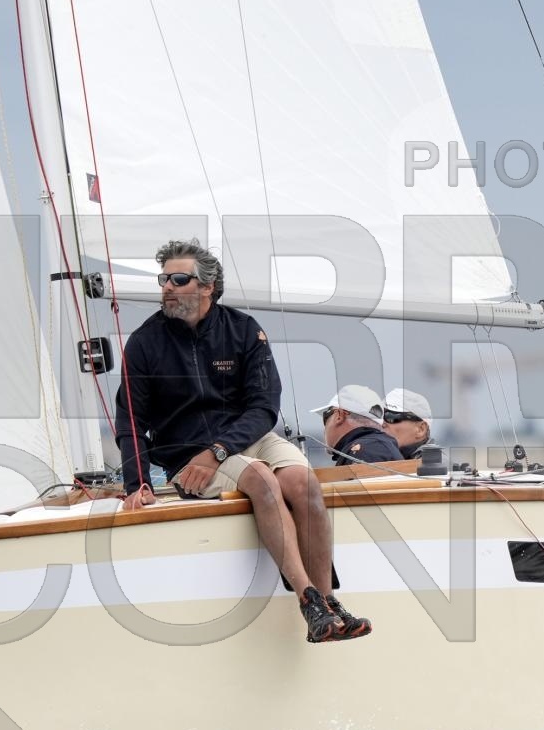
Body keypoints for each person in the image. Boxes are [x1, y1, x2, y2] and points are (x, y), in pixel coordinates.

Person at [114, 240, 371, 642]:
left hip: (243, 440)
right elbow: (131, 421)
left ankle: (329, 603)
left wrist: (218, 450)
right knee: (263, 480)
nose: (167, 287)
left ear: (208, 287)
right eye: (163, 280)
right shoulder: (145, 343)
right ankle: (309, 601)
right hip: (187, 456)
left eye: (178, 279)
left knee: (304, 482)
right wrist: (138, 484)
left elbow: (264, 407)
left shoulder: (244, 330)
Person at [314, 385, 404, 466]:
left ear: (339, 416)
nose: (324, 428)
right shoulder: (378, 446)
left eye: (325, 417)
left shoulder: (366, 450)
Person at [381, 388, 435, 460]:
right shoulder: (378, 456)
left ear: (421, 429)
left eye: (391, 416)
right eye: (380, 415)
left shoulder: (437, 464)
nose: (382, 423)